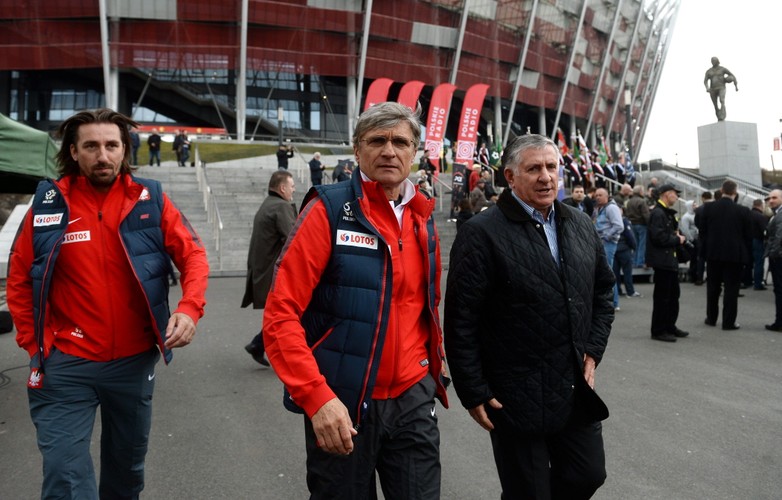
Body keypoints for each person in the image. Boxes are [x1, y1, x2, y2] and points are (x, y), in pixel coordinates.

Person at [5, 108, 209, 498]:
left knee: (126, 471)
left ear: (124, 149)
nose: (103, 155)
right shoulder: (48, 207)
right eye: (92, 146)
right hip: (66, 363)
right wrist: (34, 345)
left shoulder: (150, 199)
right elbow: (18, 280)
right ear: (74, 152)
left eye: (112, 145)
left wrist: (189, 307)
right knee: (64, 473)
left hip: (133, 363)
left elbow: (193, 256)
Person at [262, 102, 449, 498]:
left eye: (400, 141)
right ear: (357, 148)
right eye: (377, 140)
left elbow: (423, 310)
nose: (389, 150)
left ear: (415, 152)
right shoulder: (327, 210)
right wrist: (317, 398)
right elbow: (280, 315)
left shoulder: (422, 216)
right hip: (342, 403)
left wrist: (432, 374)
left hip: (413, 398)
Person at [444, 133, 613, 499]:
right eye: (533, 168)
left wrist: (593, 350)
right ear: (510, 176)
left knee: (588, 475)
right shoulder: (481, 234)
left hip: (572, 390)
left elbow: (602, 292)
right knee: (529, 492)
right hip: (514, 394)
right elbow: (461, 320)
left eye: (552, 167)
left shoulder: (581, 224)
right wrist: (472, 390)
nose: (546, 177)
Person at [242, 170, 297, 366]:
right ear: (282, 188)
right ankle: (282, 354)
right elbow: (295, 240)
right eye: (292, 186)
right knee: (289, 316)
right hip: (273, 275)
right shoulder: (281, 207)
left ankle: (259, 344)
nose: (294, 190)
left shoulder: (269, 204)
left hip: (263, 272)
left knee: (281, 316)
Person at [698, 180, 751, 330]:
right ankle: (728, 322)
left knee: (713, 287)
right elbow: (748, 235)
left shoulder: (708, 208)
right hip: (735, 255)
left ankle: (711, 318)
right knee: (731, 289)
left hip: (713, 253)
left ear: (721, 191)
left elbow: (702, 232)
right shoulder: (743, 211)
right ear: (735, 192)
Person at [646, 184, 689, 342]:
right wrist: (678, 239)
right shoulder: (658, 213)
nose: (677, 197)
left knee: (672, 296)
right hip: (663, 261)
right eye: (675, 194)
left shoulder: (664, 213)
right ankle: (659, 330)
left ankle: (669, 326)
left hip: (669, 260)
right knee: (663, 297)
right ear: (666, 194)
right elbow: (658, 237)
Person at [593, 187, 624, 310]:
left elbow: (619, 226)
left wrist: (605, 238)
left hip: (608, 244)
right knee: (605, 272)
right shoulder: (600, 208)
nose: (597, 197)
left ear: (607, 196)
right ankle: (611, 302)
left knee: (607, 273)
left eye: (600, 195)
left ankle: (613, 303)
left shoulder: (611, 208)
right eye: (596, 195)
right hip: (602, 243)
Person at [763, 189, 782, 331]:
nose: (771, 200)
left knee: (779, 290)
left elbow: (779, 237)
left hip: (779, 258)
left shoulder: (780, 215)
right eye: (769, 198)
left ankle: (779, 322)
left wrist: (773, 254)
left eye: (774, 198)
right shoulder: (777, 214)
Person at [615, 208, 640, 297]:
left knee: (615, 272)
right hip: (624, 249)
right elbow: (630, 236)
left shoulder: (610, 220)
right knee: (627, 272)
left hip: (614, 248)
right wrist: (634, 246)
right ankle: (630, 291)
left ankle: (617, 291)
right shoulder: (624, 221)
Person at [704, 56, 738, 121]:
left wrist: (735, 85)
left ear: (717, 61)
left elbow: (732, 75)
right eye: (712, 61)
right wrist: (707, 87)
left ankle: (722, 114)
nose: (713, 62)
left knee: (722, 100)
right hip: (712, 89)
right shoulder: (709, 71)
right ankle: (718, 113)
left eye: (714, 60)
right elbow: (705, 81)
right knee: (715, 104)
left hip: (721, 87)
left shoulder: (722, 69)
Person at [625, 185, 650, 267]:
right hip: (641, 225)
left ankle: (634, 262)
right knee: (642, 245)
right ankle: (640, 262)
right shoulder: (642, 201)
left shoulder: (629, 201)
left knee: (635, 244)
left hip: (632, 225)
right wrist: (649, 224)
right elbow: (645, 215)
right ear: (640, 192)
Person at [749, 198, 769, 290]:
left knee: (748, 262)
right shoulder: (760, 216)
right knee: (759, 263)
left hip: (747, 240)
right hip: (758, 241)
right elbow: (765, 231)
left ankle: (747, 280)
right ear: (761, 205)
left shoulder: (747, 214)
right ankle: (758, 283)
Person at [679, 200, 699, 283]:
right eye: (693, 205)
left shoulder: (695, 215)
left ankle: (695, 274)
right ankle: (692, 275)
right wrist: (690, 239)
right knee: (693, 258)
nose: (696, 206)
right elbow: (685, 230)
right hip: (692, 240)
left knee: (696, 258)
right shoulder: (686, 217)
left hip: (696, 238)